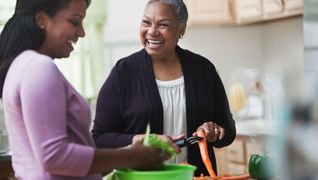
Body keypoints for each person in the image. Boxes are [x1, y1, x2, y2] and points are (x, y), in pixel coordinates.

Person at [0, 0, 165, 179]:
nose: (82, 32)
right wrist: (133, 156)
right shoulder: (39, 67)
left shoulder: (21, 65)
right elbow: (54, 157)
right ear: (41, 20)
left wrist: (130, 149)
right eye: (75, 21)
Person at [92, 0, 236, 176]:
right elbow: (99, 138)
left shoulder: (203, 70)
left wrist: (214, 131)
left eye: (163, 24)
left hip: (196, 177)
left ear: (181, 29)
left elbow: (228, 131)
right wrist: (141, 140)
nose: (152, 31)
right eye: (146, 22)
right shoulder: (123, 72)